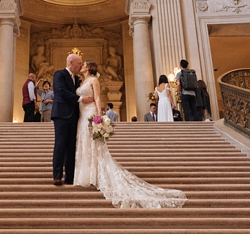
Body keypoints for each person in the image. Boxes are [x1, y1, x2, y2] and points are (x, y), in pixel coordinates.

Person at [73, 60, 186, 208]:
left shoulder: (94, 80)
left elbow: (98, 98)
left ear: (88, 67)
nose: (80, 67)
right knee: (84, 142)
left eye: (83, 65)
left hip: (90, 112)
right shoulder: (82, 82)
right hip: (82, 114)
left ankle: (96, 173)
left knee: (94, 142)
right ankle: (86, 173)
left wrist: (100, 116)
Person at [52, 53, 94, 186]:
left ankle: (69, 177)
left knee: (71, 146)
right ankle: (57, 176)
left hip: (75, 116)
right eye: (79, 63)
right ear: (71, 62)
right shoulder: (59, 74)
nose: (81, 65)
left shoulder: (77, 79)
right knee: (60, 144)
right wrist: (80, 99)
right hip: (61, 114)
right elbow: (61, 91)